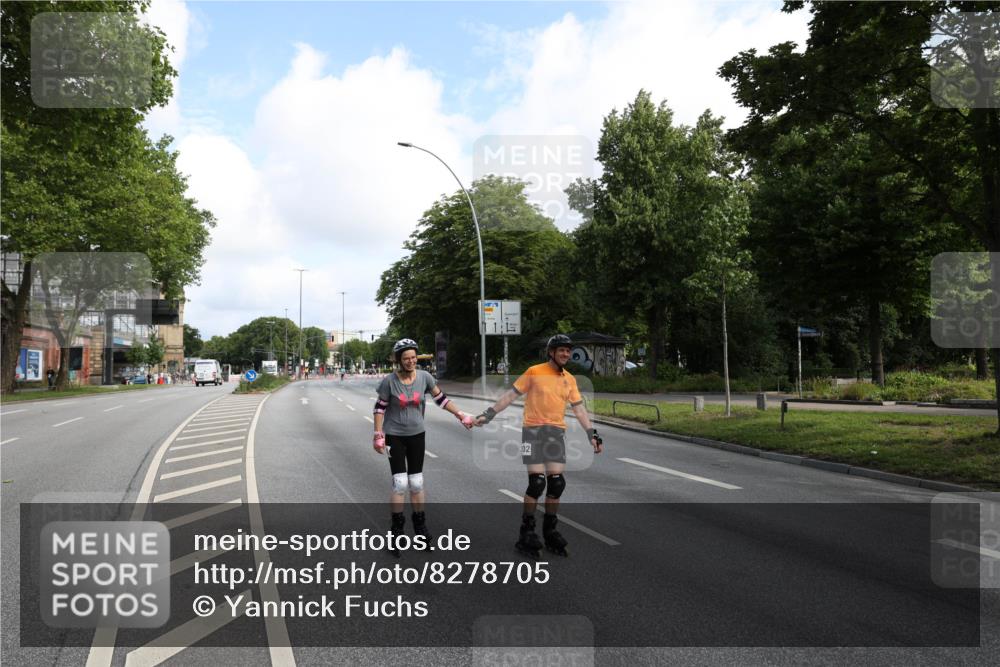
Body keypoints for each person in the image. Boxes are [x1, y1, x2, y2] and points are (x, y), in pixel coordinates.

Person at [476, 334, 604, 557]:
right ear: (551, 352)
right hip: (532, 432)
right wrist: (489, 414)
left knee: (556, 484)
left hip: (555, 433)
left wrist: (591, 433)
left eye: (568, 350)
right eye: (561, 350)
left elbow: (579, 409)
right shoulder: (534, 372)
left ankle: (550, 531)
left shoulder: (570, 379)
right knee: (536, 484)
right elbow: (510, 395)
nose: (565, 354)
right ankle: (527, 532)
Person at [373, 338, 476, 555]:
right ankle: (397, 533)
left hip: (417, 435)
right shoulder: (389, 381)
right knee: (400, 483)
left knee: (417, 482)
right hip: (394, 436)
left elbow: (442, 399)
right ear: (398, 361)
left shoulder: (424, 377)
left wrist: (460, 415)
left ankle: (420, 529)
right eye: (406, 358)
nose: (411, 361)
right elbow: (380, 408)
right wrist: (378, 434)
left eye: (413, 357)